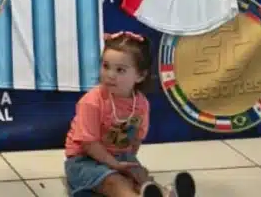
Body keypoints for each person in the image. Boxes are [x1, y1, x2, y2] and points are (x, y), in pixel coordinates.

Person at [64, 31, 197, 197]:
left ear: (140, 75)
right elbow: (88, 144)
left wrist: (129, 162)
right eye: (106, 66)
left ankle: (167, 193)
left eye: (120, 70)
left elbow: (136, 139)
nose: (110, 75)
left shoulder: (141, 104)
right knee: (114, 181)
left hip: (119, 155)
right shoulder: (91, 101)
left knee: (140, 175)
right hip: (84, 160)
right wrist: (113, 165)